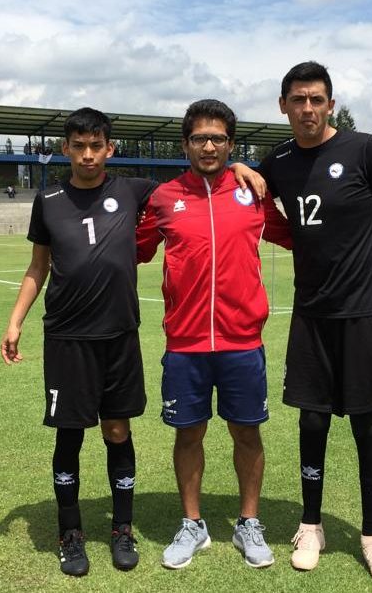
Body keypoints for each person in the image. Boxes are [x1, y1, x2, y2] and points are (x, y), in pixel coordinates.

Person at [257, 61, 372, 588]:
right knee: (312, 422)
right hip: (311, 313)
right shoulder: (277, 161)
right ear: (283, 106)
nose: (308, 108)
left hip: (364, 313)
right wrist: (246, 174)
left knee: (366, 424)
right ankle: (310, 525)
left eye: (317, 99)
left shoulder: (364, 150)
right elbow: (247, 192)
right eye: (298, 99)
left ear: (331, 105)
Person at [136, 99, 292, 570]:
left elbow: (300, 235)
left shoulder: (253, 193)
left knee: (247, 434)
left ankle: (248, 523)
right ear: (185, 143)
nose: (209, 146)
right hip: (184, 344)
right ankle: (193, 524)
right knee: (188, 435)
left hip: (243, 341)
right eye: (200, 138)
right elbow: (131, 251)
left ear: (231, 144)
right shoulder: (164, 198)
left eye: (218, 138)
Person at [0, 108, 154, 577]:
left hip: (120, 336)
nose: (88, 155)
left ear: (110, 148)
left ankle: (121, 528)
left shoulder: (131, 190)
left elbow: (197, 174)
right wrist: (14, 322)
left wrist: (241, 166)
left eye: (96, 146)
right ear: (65, 149)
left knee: (117, 431)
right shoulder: (47, 200)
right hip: (67, 338)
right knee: (70, 434)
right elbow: (38, 267)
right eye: (78, 146)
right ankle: (70, 534)